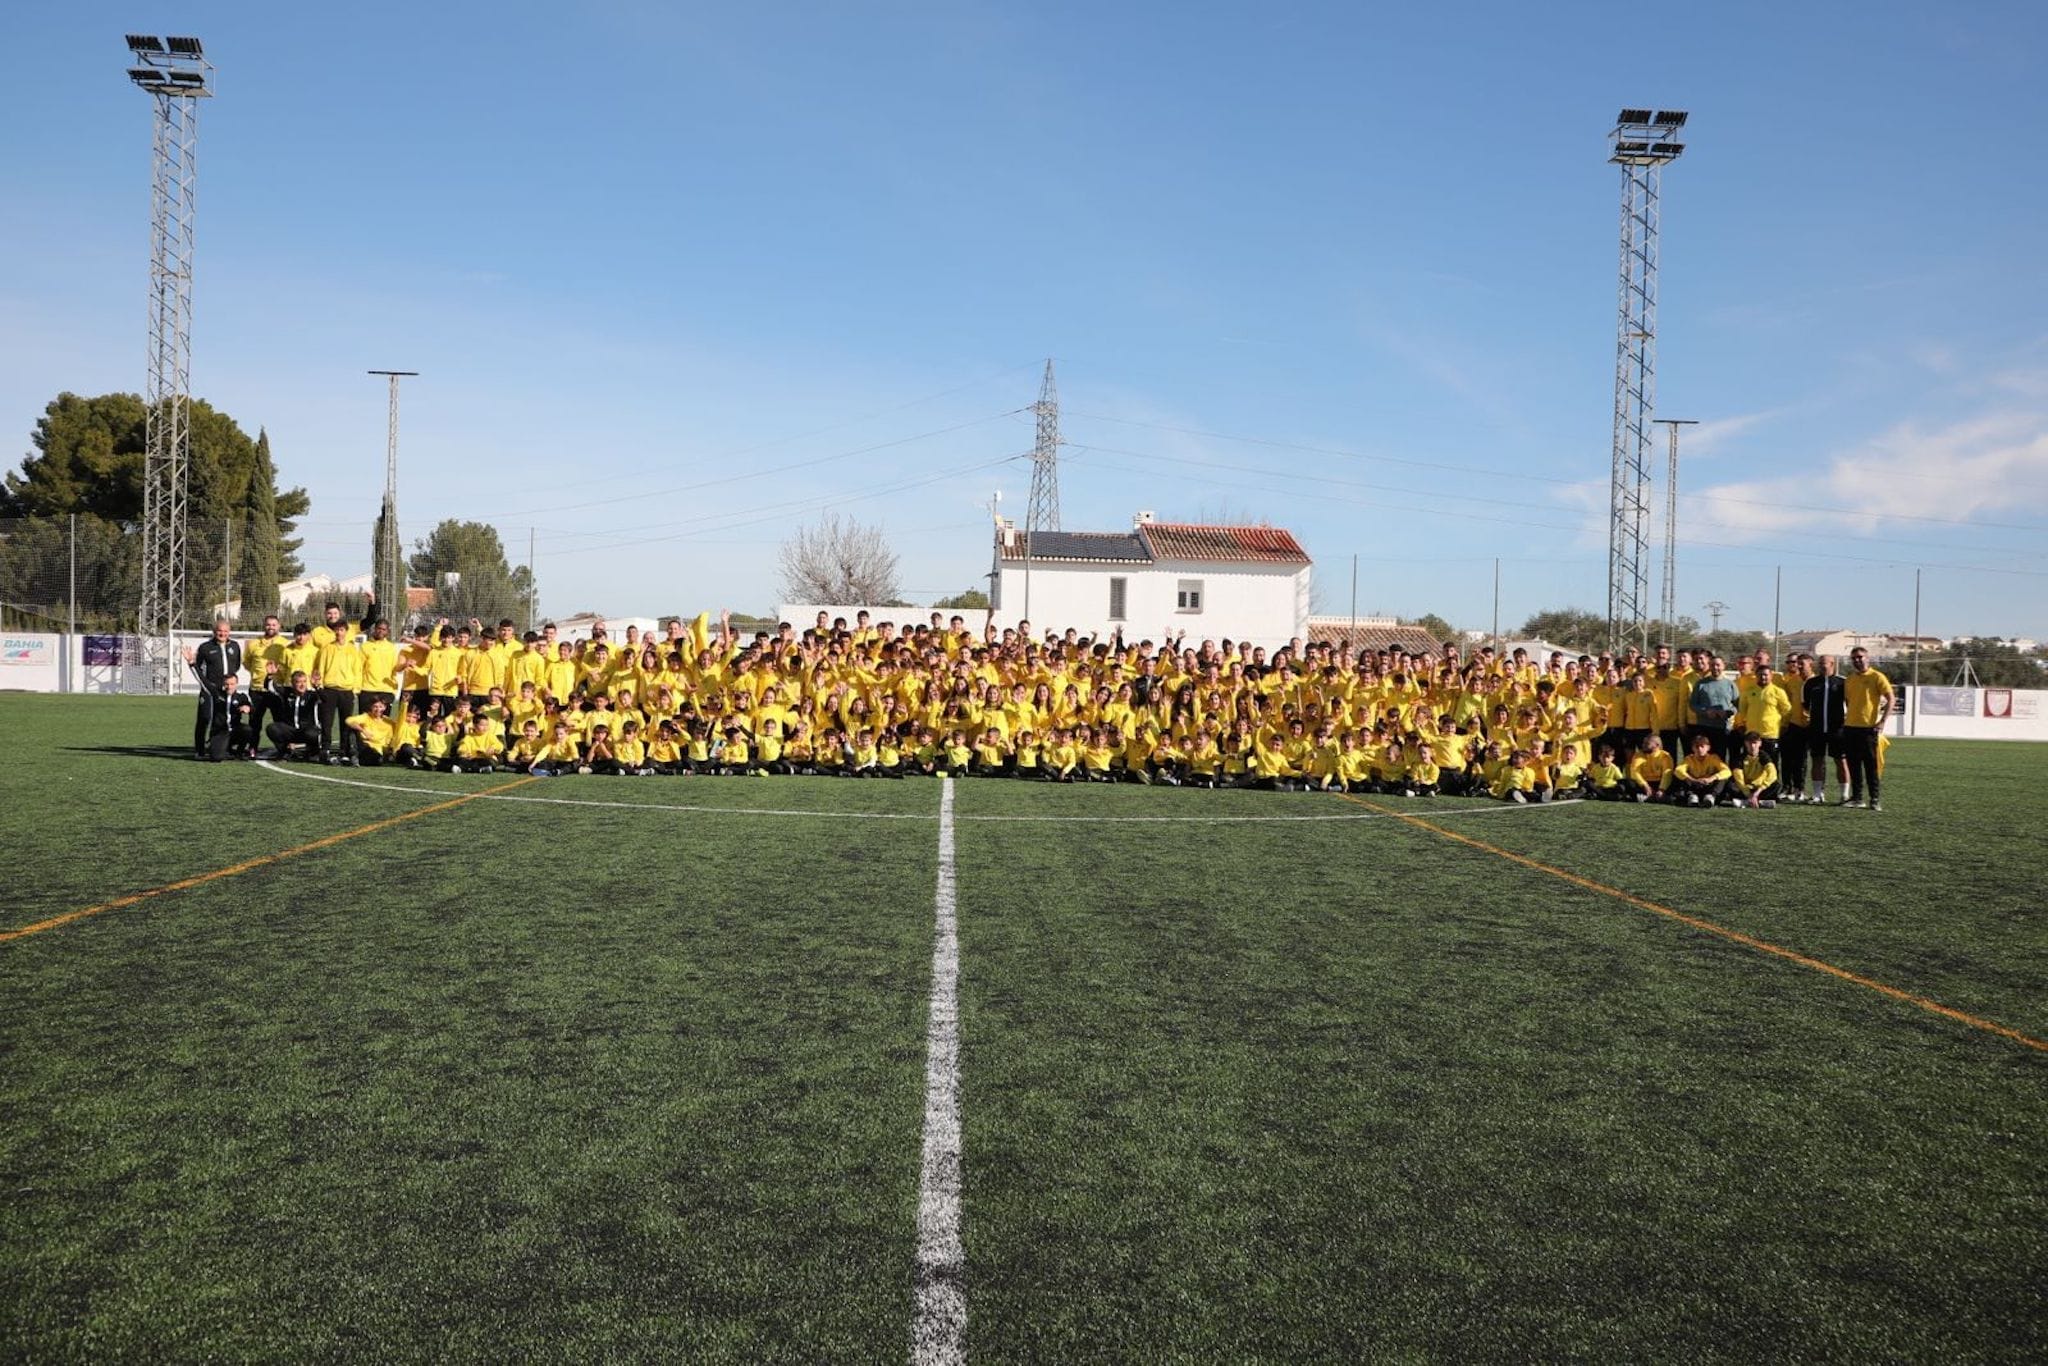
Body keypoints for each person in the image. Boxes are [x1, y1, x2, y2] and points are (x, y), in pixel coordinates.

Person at [183, 618, 244, 760]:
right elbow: (198, 667)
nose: (222, 634)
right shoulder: (205, 647)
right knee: (205, 718)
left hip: (227, 690)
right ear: (214, 632)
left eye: (225, 631)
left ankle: (223, 746)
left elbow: (236, 665)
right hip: (210, 689)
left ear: (229, 632)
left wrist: (229, 683)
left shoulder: (235, 646)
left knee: (224, 719)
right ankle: (199, 750)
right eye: (219, 631)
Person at [1842, 646, 1893, 810]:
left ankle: (1875, 799)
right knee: (1854, 765)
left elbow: (1890, 699)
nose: (1857, 660)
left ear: (1867, 658)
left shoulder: (1877, 677)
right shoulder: (1849, 679)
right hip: (1850, 728)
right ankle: (1857, 798)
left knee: (1871, 766)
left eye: (1860, 657)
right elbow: (1849, 702)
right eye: (1854, 658)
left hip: (1868, 729)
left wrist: (1882, 721)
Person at [1803, 654, 1850, 803]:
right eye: (1820, 663)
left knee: (1841, 761)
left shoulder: (1843, 683)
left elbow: (1850, 704)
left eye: (1825, 663)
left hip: (1837, 730)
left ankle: (1844, 794)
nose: (1822, 666)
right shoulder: (1811, 683)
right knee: (1817, 760)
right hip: (1816, 729)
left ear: (1832, 664)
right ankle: (1818, 794)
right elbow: (1805, 705)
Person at [264, 670, 324, 760]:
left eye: (304, 681)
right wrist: (270, 675)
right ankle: (284, 751)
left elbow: (325, 698)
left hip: (306, 730)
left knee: (313, 733)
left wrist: (317, 686)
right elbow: (270, 688)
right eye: (298, 682)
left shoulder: (312, 695)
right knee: (272, 728)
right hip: (290, 730)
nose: (302, 685)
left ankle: (313, 751)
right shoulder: (287, 693)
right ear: (292, 683)